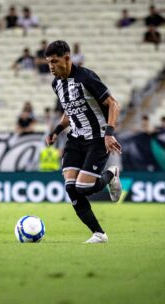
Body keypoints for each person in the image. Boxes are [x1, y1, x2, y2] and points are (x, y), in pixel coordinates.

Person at [44, 40, 121, 244]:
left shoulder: (86, 77)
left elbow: (113, 104)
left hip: (97, 139)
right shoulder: (56, 84)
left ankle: (111, 174)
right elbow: (70, 111)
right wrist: (57, 130)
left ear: (67, 59)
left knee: (84, 188)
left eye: (54, 61)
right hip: (75, 139)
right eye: (48, 62)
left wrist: (109, 133)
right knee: (71, 188)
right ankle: (99, 234)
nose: (51, 66)